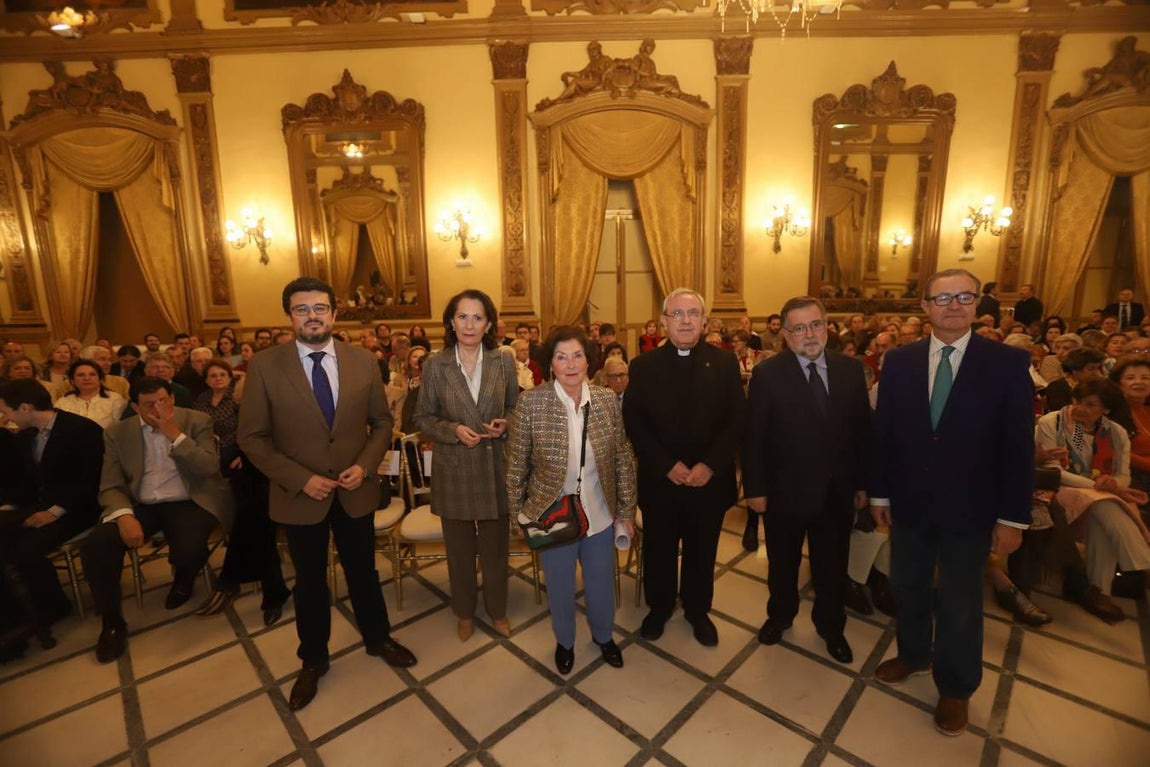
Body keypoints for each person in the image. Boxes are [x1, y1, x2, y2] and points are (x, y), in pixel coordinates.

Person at [238, 277, 416, 711]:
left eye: (320, 308)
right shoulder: (265, 366)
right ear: (290, 316)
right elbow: (253, 438)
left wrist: (365, 464)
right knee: (311, 583)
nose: (312, 316)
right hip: (301, 496)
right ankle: (313, 660)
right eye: (302, 309)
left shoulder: (361, 361)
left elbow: (379, 423)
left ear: (335, 314)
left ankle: (378, 638)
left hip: (354, 489)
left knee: (364, 572)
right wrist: (301, 479)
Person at [870, 269, 1034, 737]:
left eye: (964, 296)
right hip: (910, 502)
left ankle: (957, 687)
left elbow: (1017, 446)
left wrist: (1012, 517)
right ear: (925, 306)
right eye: (942, 298)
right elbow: (885, 435)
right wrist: (880, 493)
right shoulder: (899, 361)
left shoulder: (1005, 363)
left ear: (978, 303)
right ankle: (914, 654)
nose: (954, 305)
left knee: (961, 601)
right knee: (909, 585)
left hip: (972, 508)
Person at [742, 296, 872, 663]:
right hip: (784, 493)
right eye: (798, 328)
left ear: (827, 326)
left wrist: (862, 484)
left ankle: (831, 627)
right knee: (782, 564)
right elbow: (754, 437)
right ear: (785, 335)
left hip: (836, 492)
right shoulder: (769, 374)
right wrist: (755, 490)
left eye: (815, 325)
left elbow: (862, 432)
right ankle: (779, 616)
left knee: (831, 566)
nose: (809, 334)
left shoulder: (850, 370)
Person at [506, 326, 637, 674]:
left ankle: (604, 637)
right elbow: (516, 465)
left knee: (601, 584)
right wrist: (517, 517)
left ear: (588, 360)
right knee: (560, 587)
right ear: (550, 363)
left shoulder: (606, 401)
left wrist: (625, 510)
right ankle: (564, 642)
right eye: (561, 356)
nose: (570, 364)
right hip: (553, 515)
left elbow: (623, 458)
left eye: (577, 355)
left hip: (599, 514)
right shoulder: (531, 403)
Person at [622, 288, 745, 646]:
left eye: (693, 314)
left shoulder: (724, 364)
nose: (686, 320)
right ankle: (659, 607)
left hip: (709, 481)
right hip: (662, 482)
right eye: (677, 314)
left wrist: (709, 465)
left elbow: (736, 420)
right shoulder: (643, 366)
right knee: (658, 548)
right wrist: (666, 465)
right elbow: (635, 421)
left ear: (705, 321)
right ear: (664, 322)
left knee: (702, 549)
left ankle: (696, 609)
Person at [81, 377, 233, 663]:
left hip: (189, 498)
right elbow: (110, 484)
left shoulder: (196, 421)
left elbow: (209, 468)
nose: (159, 408)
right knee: (97, 544)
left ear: (172, 399)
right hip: (142, 503)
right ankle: (112, 623)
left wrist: (174, 434)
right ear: (135, 406)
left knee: (189, 548)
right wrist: (124, 516)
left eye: (164, 400)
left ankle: (184, 579)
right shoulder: (118, 433)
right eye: (150, 404)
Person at [413, 289, 519, 642]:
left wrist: (506, 423)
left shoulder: (503, 359)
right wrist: (453, 431)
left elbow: (514, 407)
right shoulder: (435, 364)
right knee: (458, 553)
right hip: (454, 467)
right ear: (451, 322)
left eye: (478, 317)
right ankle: (463, 612)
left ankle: (497, 610)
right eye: (463, 317)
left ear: (489, 323)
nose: (470, 324)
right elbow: (423, 418)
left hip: (493, 466)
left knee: (495, 551)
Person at [0, 379, 104, 651]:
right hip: (42, 503)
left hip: (78, 508)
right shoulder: (24, 437)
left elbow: (91, 481)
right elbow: (26, 484)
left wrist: (55, 512)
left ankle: (54, 605)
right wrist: (9, 507)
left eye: (6, 411)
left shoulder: (82, 430)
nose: (4, 417)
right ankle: (16, 613)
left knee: (25, 550)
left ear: (24, 408)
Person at [1035, 379, 1150, 621]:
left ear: (1105, 410)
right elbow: (1055, 470)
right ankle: (1141, 563)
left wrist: (1114, 484)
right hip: (1061, 489)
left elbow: (1123, 476)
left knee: (1102, 511)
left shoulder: (1115, 433)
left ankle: (1098, 591)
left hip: (1102, 496)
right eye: (1077, 401)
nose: (1079, 408)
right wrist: (1099, 486)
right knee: (1104, 503)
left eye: (1090, 405)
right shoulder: (1053, 423)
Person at [192, 360, 289, 625]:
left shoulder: (287, 410)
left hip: (287, 476)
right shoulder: (245, 411)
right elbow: (244, 440)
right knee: (256, 517)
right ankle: (272, 591)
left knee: (252, 517)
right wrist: (243, 455)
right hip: (257, 476)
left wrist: (245, 455)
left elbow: (281, 445)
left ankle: (230, 581)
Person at [54, 359, 126, 428]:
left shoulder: (115, 400)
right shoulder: (63, 403)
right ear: (72, 381)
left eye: (92, 374)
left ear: (100, 378)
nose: (87, 378)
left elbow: (122, 429)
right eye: (81, 375)